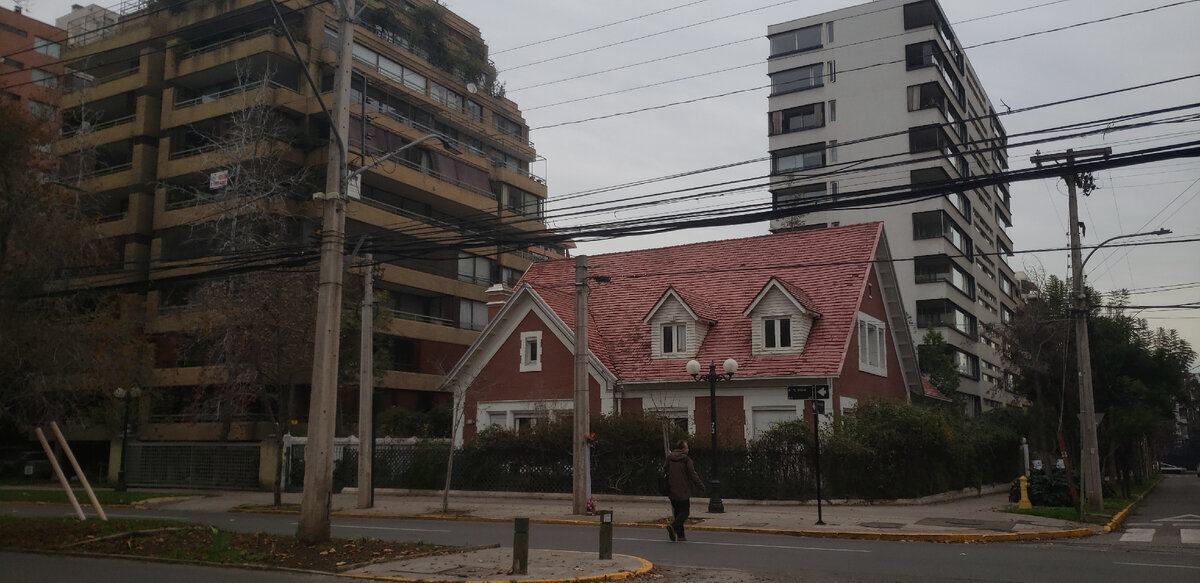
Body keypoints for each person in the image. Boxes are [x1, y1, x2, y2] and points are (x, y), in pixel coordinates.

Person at [661, 440, 704, 541]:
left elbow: (663, 470)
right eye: (687, 447)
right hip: (683, 489)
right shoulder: (686, 460)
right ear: (683, 449)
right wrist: (701, 486)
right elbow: (693, 474)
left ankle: (681, 535)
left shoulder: (669, 458)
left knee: (677, 512)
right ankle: (674, 526)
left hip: (671, 489)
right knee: (685, 512)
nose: (688, 449)